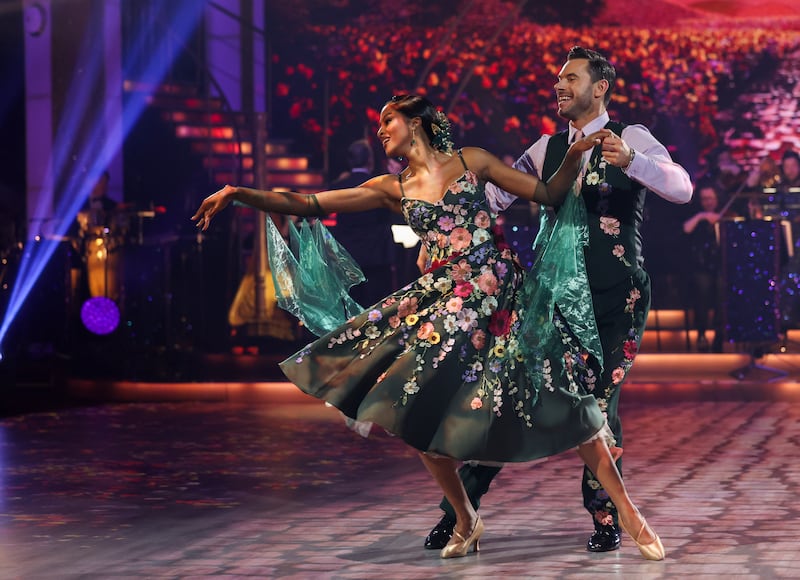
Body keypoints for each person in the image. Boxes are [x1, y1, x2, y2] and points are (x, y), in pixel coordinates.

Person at [192, 94, 664, 561]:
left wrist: (575, 157)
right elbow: (309, 202)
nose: (381, 131)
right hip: (448, 308)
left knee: (567, 399)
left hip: (505, 301)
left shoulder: (472, 160)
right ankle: (465, 517)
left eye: (388, 120)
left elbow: (547, 195)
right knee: (413, 409)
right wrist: (239, 194)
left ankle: (627, 513)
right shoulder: (390, 187)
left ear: (416, 123)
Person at [421, 46, 692, 554]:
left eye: (570, 78)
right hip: (547, 300)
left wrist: (633, 161)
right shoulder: (544, 149)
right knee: (509, 397)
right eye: (558, 80)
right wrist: (439, 231)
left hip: (617, 299)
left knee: (599, 407)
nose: (560, 87)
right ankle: (463, 511)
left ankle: (607, 516)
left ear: (600, 86)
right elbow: (490, 201)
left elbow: (682, 188)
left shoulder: (629, 136)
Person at [331, 139, 398, 307]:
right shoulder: (380, 185)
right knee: (376, 310)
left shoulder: (340, 186)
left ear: (349, 161)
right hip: (377, 257)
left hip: (348, 257)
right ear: (370, 160)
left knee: (351, 310)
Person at [682, 182, 723, 352]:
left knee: (722, 299)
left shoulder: (725, 215)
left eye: (711, 198)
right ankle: (701, 334)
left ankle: (719, 337)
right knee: (702, 297)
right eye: (705, 198)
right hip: (701, 266)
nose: (708, 202)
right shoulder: (695, 215)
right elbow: (686, 229)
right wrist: (701, 217)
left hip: (721, 265)